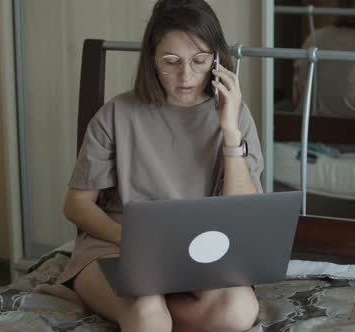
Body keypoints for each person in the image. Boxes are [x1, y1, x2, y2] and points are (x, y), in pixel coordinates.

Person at [34, 0, 263, 331]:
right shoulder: (117, 114)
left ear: (217, 60)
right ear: (152, 61)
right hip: (117, 245)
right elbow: (76, 204)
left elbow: (244, 212)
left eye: (199, 61)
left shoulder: (236, 115)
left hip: (197, 253)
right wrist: (129, 238)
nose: (186, 76)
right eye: (171, 62)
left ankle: (110, 303)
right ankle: (134, 304)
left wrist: (230, 133)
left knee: (238, 311)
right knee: (146, 312)